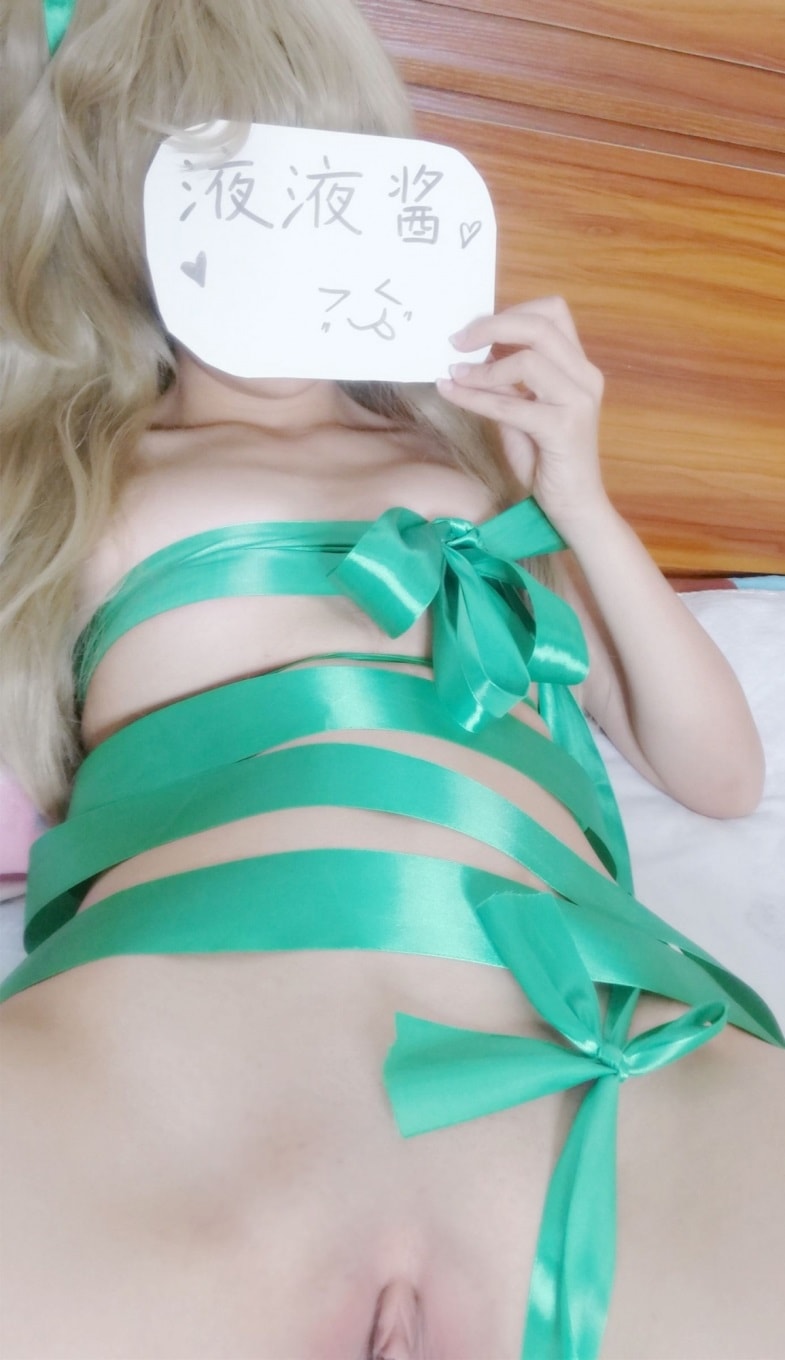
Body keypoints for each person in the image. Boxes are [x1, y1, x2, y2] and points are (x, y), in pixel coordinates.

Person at [0, 2, 783, 1357]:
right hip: (175, 1070)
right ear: (122, 228)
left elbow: (723, 776)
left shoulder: (480, 473)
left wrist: (580, 498)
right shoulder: (76, 491)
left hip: (583, 1055)